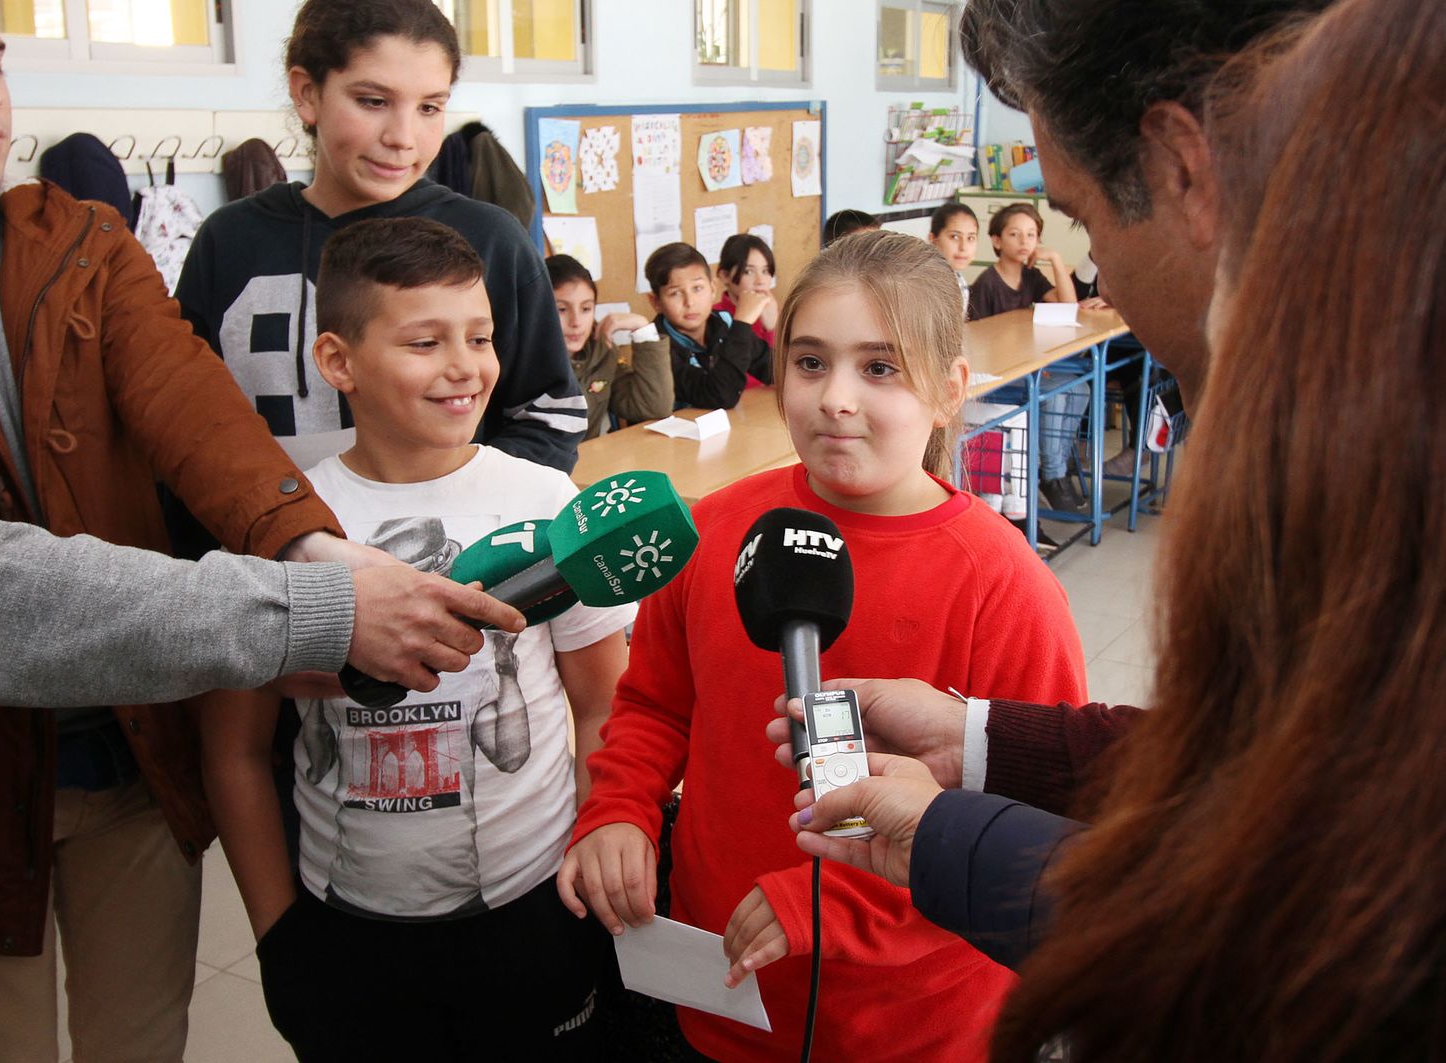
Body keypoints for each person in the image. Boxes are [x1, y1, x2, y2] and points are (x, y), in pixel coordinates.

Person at [796, 5, 1445, 1060]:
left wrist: (949, 838)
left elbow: (1291, 925)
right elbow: (1254, 760)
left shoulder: (1354, 457)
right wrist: (977, 743)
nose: (1097, 270)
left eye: (1081, 219)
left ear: (1183, 169)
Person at [0, 0, 448, 1056]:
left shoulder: (76, 238)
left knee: (143, 1039)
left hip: (132, 747)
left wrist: (314, 556)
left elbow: (194, 408)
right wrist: (303, 608)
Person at [559, 230, 1086, 1062]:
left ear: (949, 389)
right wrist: (619, 809)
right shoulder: (716, 529)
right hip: (726, 988)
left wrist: (831, 906)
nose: (836, 397)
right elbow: (655, 702)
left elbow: (1028, 826)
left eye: (878, 367)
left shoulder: (1005, 586)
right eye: (810, 362)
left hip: (912, 1022)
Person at [0, 438, 526, 1063]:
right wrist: (278, 933)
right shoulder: (295, 560)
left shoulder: (519, 502)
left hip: (138, 760)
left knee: (142, 1035)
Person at [199, 218, 634, 1060]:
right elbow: (235, 752)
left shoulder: (546, 502)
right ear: (338, 361)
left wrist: (593, 865)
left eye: (480, 337)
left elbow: (602, 707)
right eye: (425, 341)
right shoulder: (285, 529)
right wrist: (277, 929)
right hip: (346, 932)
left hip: (536, 914)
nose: (465, 366)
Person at [175, 0, 584, 469]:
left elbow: (551, 416)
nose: (403, 137)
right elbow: (186, 418)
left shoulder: (491, 239)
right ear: (307, 93)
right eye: (373, 101)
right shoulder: (228, 239)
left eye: (430, 107)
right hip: (256, 541)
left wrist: (454, 516)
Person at [967, 204, 1089, 514]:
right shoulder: (987, 284)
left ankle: (1056, 472)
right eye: (1014, 234)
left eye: (1032, 235)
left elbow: (1068, 307)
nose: (1024, 241)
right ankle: (1050, 474)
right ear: (996, 241)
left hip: (1029, 366)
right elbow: (977, 342)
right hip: (1001, 375)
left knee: (1080, 387)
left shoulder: (1032, 276)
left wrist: (1057, 260)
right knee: (1055, 394)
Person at [546, 253, 673, 438]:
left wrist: (643, 329)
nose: (576, 322)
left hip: (591, 463)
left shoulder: (602, 350)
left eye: (586, 309)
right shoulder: (520, 361)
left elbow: (654, 408)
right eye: (562, 309)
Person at [644, 241, 774, 410]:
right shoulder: (655, 347)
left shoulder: (722, 323)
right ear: (656, 302)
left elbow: (774, 369)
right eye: (675, 293)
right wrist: (742, 323)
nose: (689, 302)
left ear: (712, 289)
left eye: (697, 288)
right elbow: (720, 396)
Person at [712, 232, 779, 347]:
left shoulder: (775, 312)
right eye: (748, 272)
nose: (760, 281)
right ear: (725, 276)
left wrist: (773, 327)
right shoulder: (715, 319)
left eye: (765, 271)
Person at [927, 200, 979, 318]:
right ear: (933, 239)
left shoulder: (959, 279)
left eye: (970, 238)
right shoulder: (926, 282)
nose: (963, 247)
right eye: (954, 237)